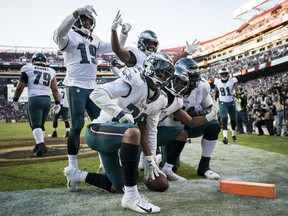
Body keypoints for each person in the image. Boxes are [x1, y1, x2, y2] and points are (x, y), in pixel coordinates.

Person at [64, 52, 174, 213]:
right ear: (150, 69)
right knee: (133, 131)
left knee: (118, 186)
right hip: (98, 131)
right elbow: (97, 93)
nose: (164, 76)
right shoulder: (136, 82)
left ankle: (76, 175)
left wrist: (150, 159)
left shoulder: (161, 99)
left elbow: (151, 131)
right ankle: (131, 197)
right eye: (161, 72)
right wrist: (120, 114)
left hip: (120, 138)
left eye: (167, 74)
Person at [53, 6, 131, 170]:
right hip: (75, 84)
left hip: (93, 86)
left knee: (101, 123)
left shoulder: (94, 38)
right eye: (85, 19)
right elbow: (59, 33)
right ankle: (72, 167)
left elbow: (115, 48)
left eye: (90, 21)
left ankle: (103, 165)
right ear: (78, 20)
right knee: (77, 126)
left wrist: (122, 33)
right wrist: (75, 12)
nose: (88, 23)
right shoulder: (69, 35)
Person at [160, 58, 221, 180]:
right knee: (172, 167)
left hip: (188, 125)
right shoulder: (168, 87)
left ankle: (204, 167)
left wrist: (202, 112)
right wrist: (201, 115)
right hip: (169, 128)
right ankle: (154, 157)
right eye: (189, 78)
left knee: (214, 124)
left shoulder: (202, 86)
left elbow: (209, 108)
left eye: (195, 78)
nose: (193, 83)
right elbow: (189, 120)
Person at [12, 53, 60, 156]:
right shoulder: (51, 71)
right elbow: (55, 89)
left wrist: (15, 99)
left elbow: (20, 87)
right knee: (40, 125)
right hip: (47, 100)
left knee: (35, 125)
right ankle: (38, 145)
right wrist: (57, 103)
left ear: (33, 60)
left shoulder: (28, 69)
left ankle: (41, 145)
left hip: (35, 99)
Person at [111, 25, 200, 69]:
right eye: (148, 43)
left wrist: (186, 52)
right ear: (141, 42)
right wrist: (114, 30)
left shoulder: (155, 57)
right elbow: (117, 50)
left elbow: (170, 61)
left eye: (154, 44)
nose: (152, 46)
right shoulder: (135, 53)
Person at [214, 67, 239, 144]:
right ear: (220, 74)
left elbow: (236, 88)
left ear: (227, 74)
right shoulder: (217, 81)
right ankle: (225, 137)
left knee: (233, 119)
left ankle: (233, 135)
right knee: (224, 118)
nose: (224, 75)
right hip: (223, 102)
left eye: (225, 74)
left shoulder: (232, 80)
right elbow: (216, 90)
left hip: (231, 102)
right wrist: (216, 97)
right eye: (222, 74)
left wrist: (237, 93)